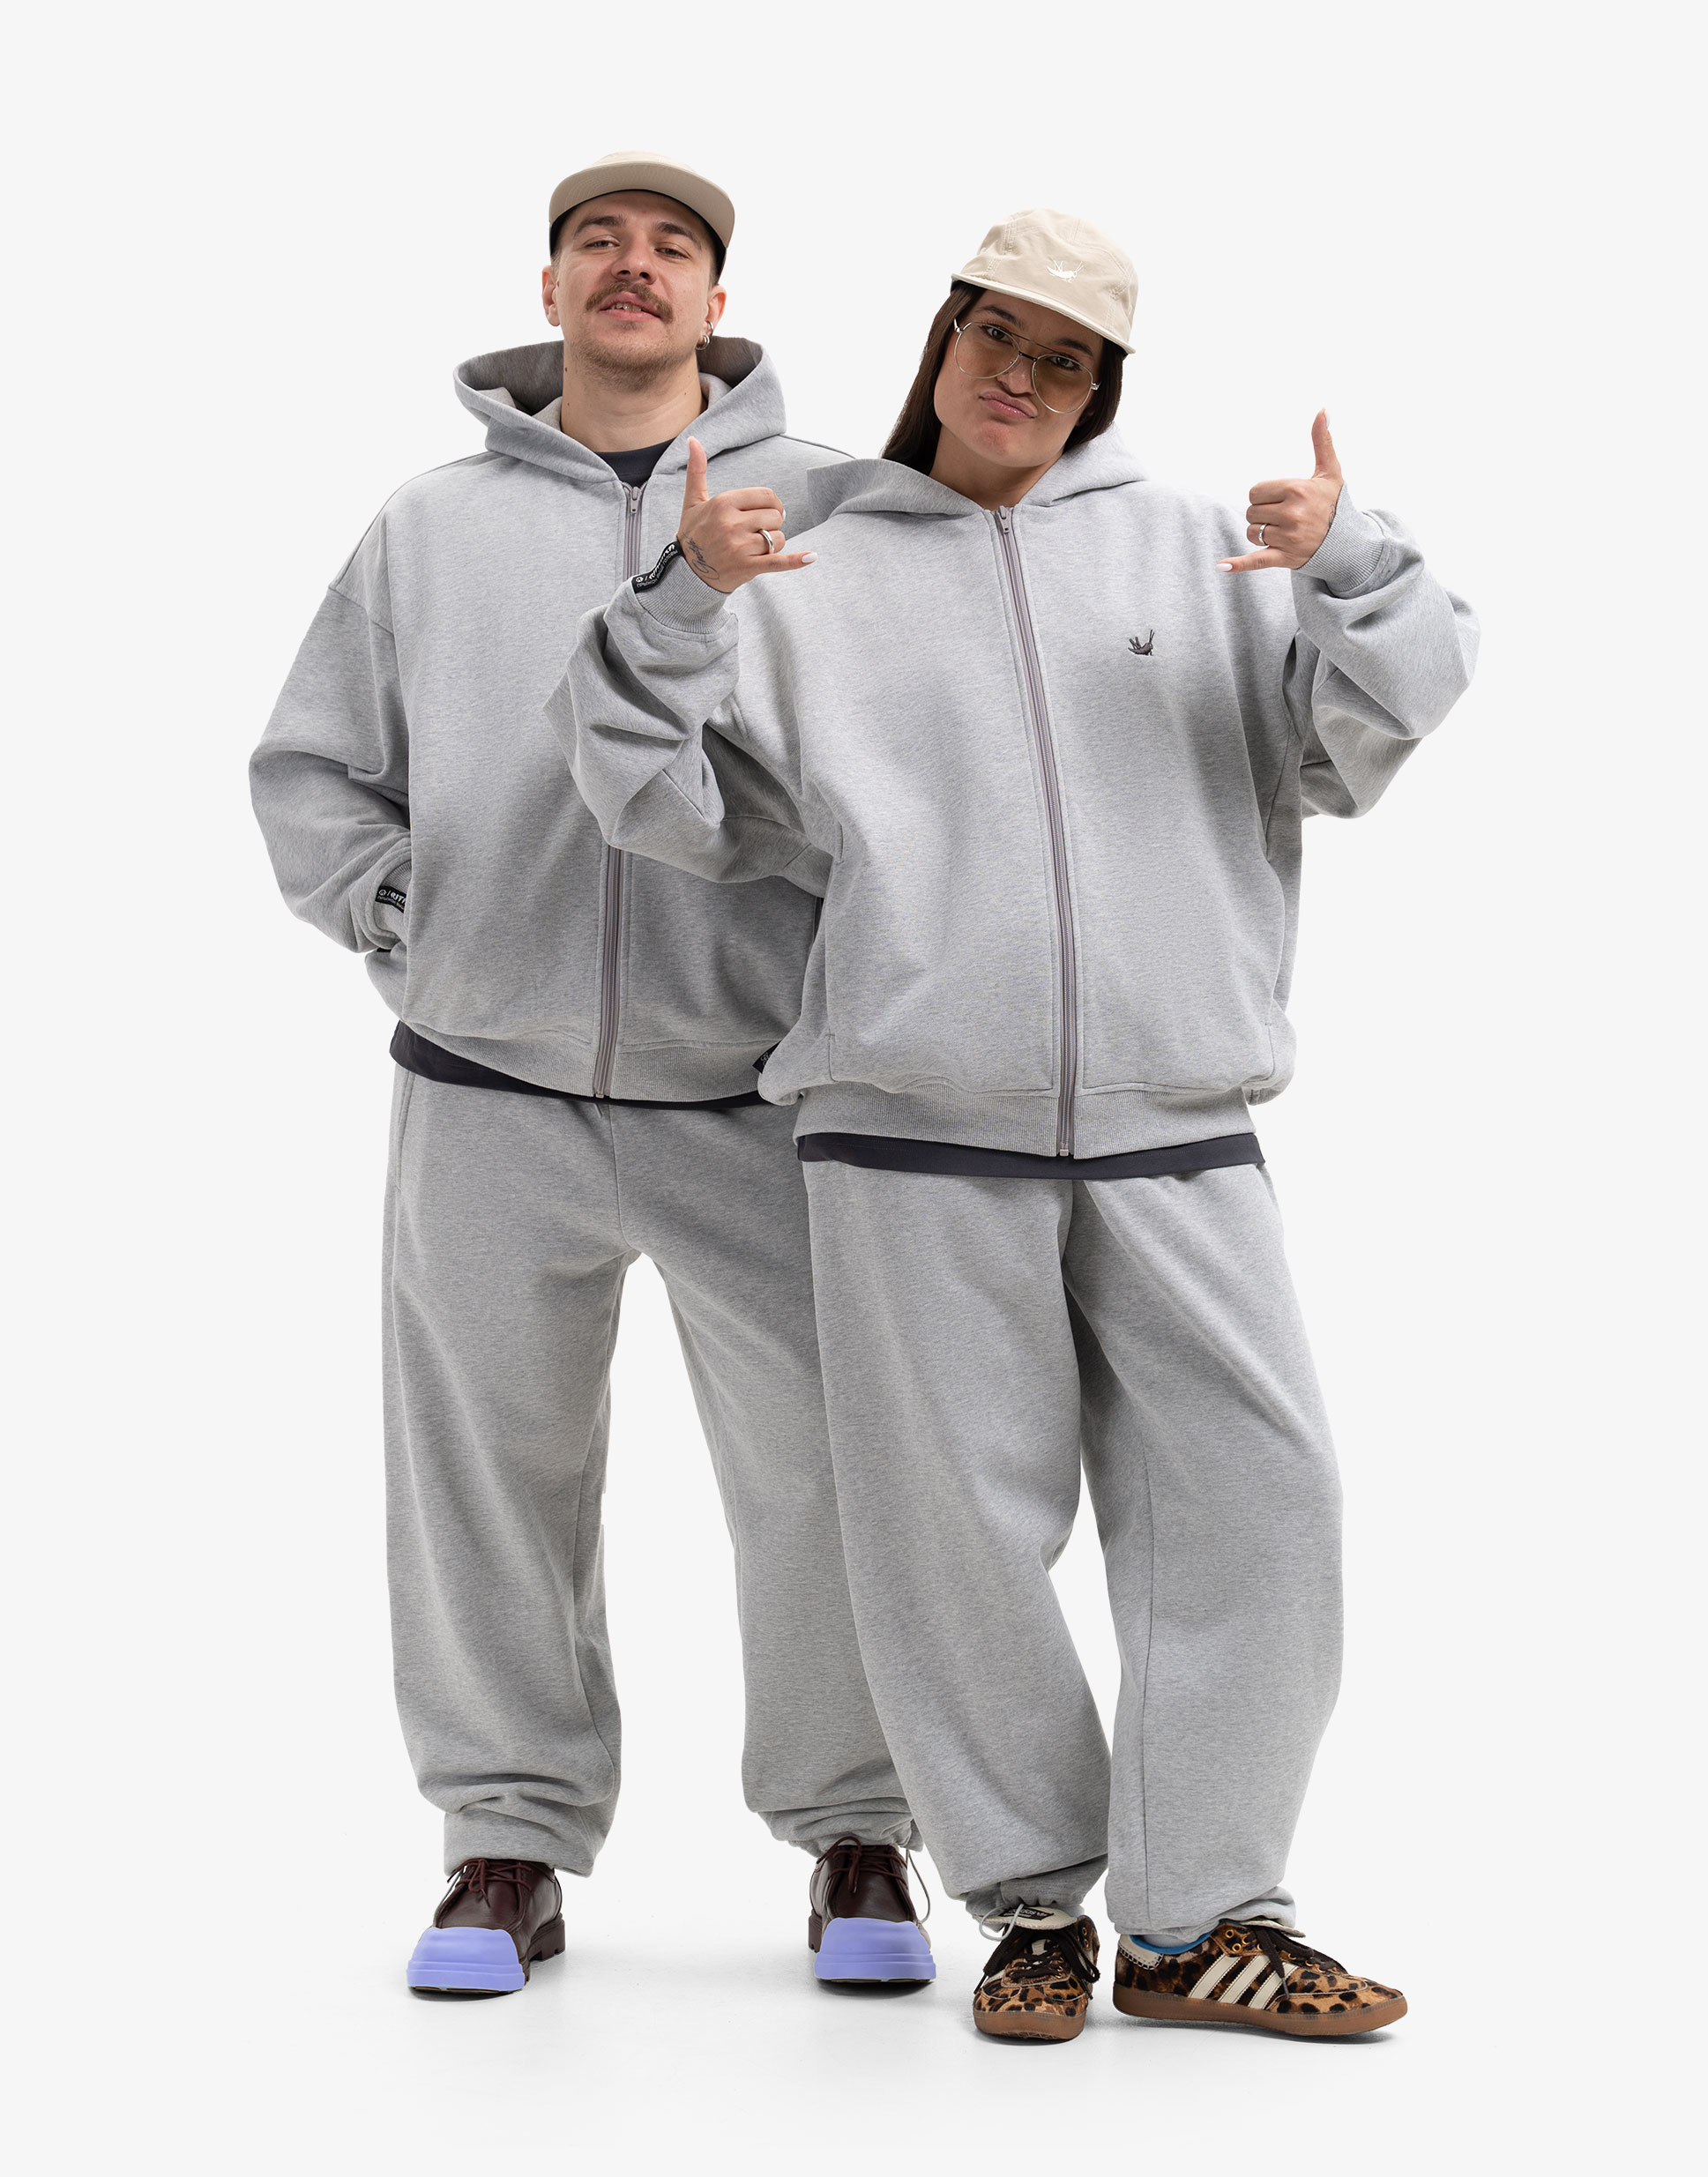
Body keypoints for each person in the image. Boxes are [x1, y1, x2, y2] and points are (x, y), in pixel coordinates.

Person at [549, 207, 1478, 2042]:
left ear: (1099, 387)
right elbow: (648, 793)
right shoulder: (804, 554)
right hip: (906, 1121)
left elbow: (1365, 738)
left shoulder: (1198, 547)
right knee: (953, 1537)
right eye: (997, 335)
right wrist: (685, 600)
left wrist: (1351, 561)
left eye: (1065, 360)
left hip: (1176, 1113)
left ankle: (1202, 1914)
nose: (1022, 378)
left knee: (1261, 1504)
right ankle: (1034, 1906)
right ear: (944, 338)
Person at [250, 151, 931, 1998]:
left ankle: (859, 1824)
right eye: (598, 244)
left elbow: (917, 766)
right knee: (486, 1476)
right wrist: (411, 921)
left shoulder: (836, 509)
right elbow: (312, 767)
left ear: (719, 302)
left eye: (673, 247)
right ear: (547, 292)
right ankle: (505, 1842)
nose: (635, 267)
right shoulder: (428, 525)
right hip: (485, 1084)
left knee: (826, 1474)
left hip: (760, 1096)